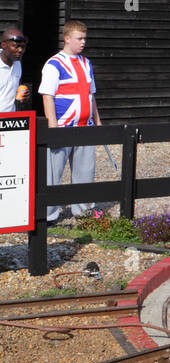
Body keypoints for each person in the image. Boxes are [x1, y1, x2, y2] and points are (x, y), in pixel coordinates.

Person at [39, 20, 101, 222]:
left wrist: (97, 122)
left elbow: (91, 95)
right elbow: (47, 96)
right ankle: (49, 215)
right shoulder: (54, 63)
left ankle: (83, 212)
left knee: (85, 172)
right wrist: (53, 127)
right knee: (53, 174)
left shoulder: (86, 63)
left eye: (85, 38)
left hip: (85, 127)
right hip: (63, 126)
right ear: (67, 38)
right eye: (79, 38)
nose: (83, 42)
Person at [0, 27, 30, 112]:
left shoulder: (17, 65)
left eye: (23, 47)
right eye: (16, 46)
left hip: (10, 120)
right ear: (3, 45)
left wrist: (23, 96)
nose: (20, 50)